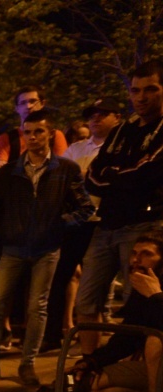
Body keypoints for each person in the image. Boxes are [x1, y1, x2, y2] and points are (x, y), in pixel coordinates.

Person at [0, 111, 94, 388]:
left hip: (47, 249)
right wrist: (6, 233)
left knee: (37, 308)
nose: (32, 137)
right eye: (28, 132)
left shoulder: (65, 169)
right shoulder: (10, 172)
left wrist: (59, 226)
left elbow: (85, 208)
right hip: (13, 249)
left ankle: (27, 364)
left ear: (50, 134)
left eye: (39, 132)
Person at [76, 61, 163, 356]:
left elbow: (148, 173)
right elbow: (92, 176)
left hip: (143, 226)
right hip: (106, 226)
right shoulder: (122, 130)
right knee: (86, 300)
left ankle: (133, 369)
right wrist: (122, 175)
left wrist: (114, 174)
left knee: (137, 301)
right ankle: (89, 364)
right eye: (135, 90)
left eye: (150, 89)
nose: (141, 97)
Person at [43, 99, 124, 351]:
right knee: (59, 277)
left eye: (103, 114)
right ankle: (52, 335)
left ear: (117, 117)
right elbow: (58, 179)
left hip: (108, 221)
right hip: (77, 222)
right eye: (92, 115)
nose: (95, 119)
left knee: (97, 283)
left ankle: (118, 341)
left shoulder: (123, 148)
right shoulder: (76, 149)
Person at [67, 235, 163, 392]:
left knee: (155, 341)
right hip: (156, 366)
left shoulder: (152, 290)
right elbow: (127, 337)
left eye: (146, 254)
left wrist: (156, 296)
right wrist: (92, 362)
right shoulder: (141, 289)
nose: (136, 260)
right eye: (134, 253)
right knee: (93, 385)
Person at [0, 85, 70, 175]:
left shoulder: (55, 135)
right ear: (17, 108)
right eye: (23, 103)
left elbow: (63, 169)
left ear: (42, 104)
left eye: (33, 101)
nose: (28, 106)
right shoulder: (7, 139)